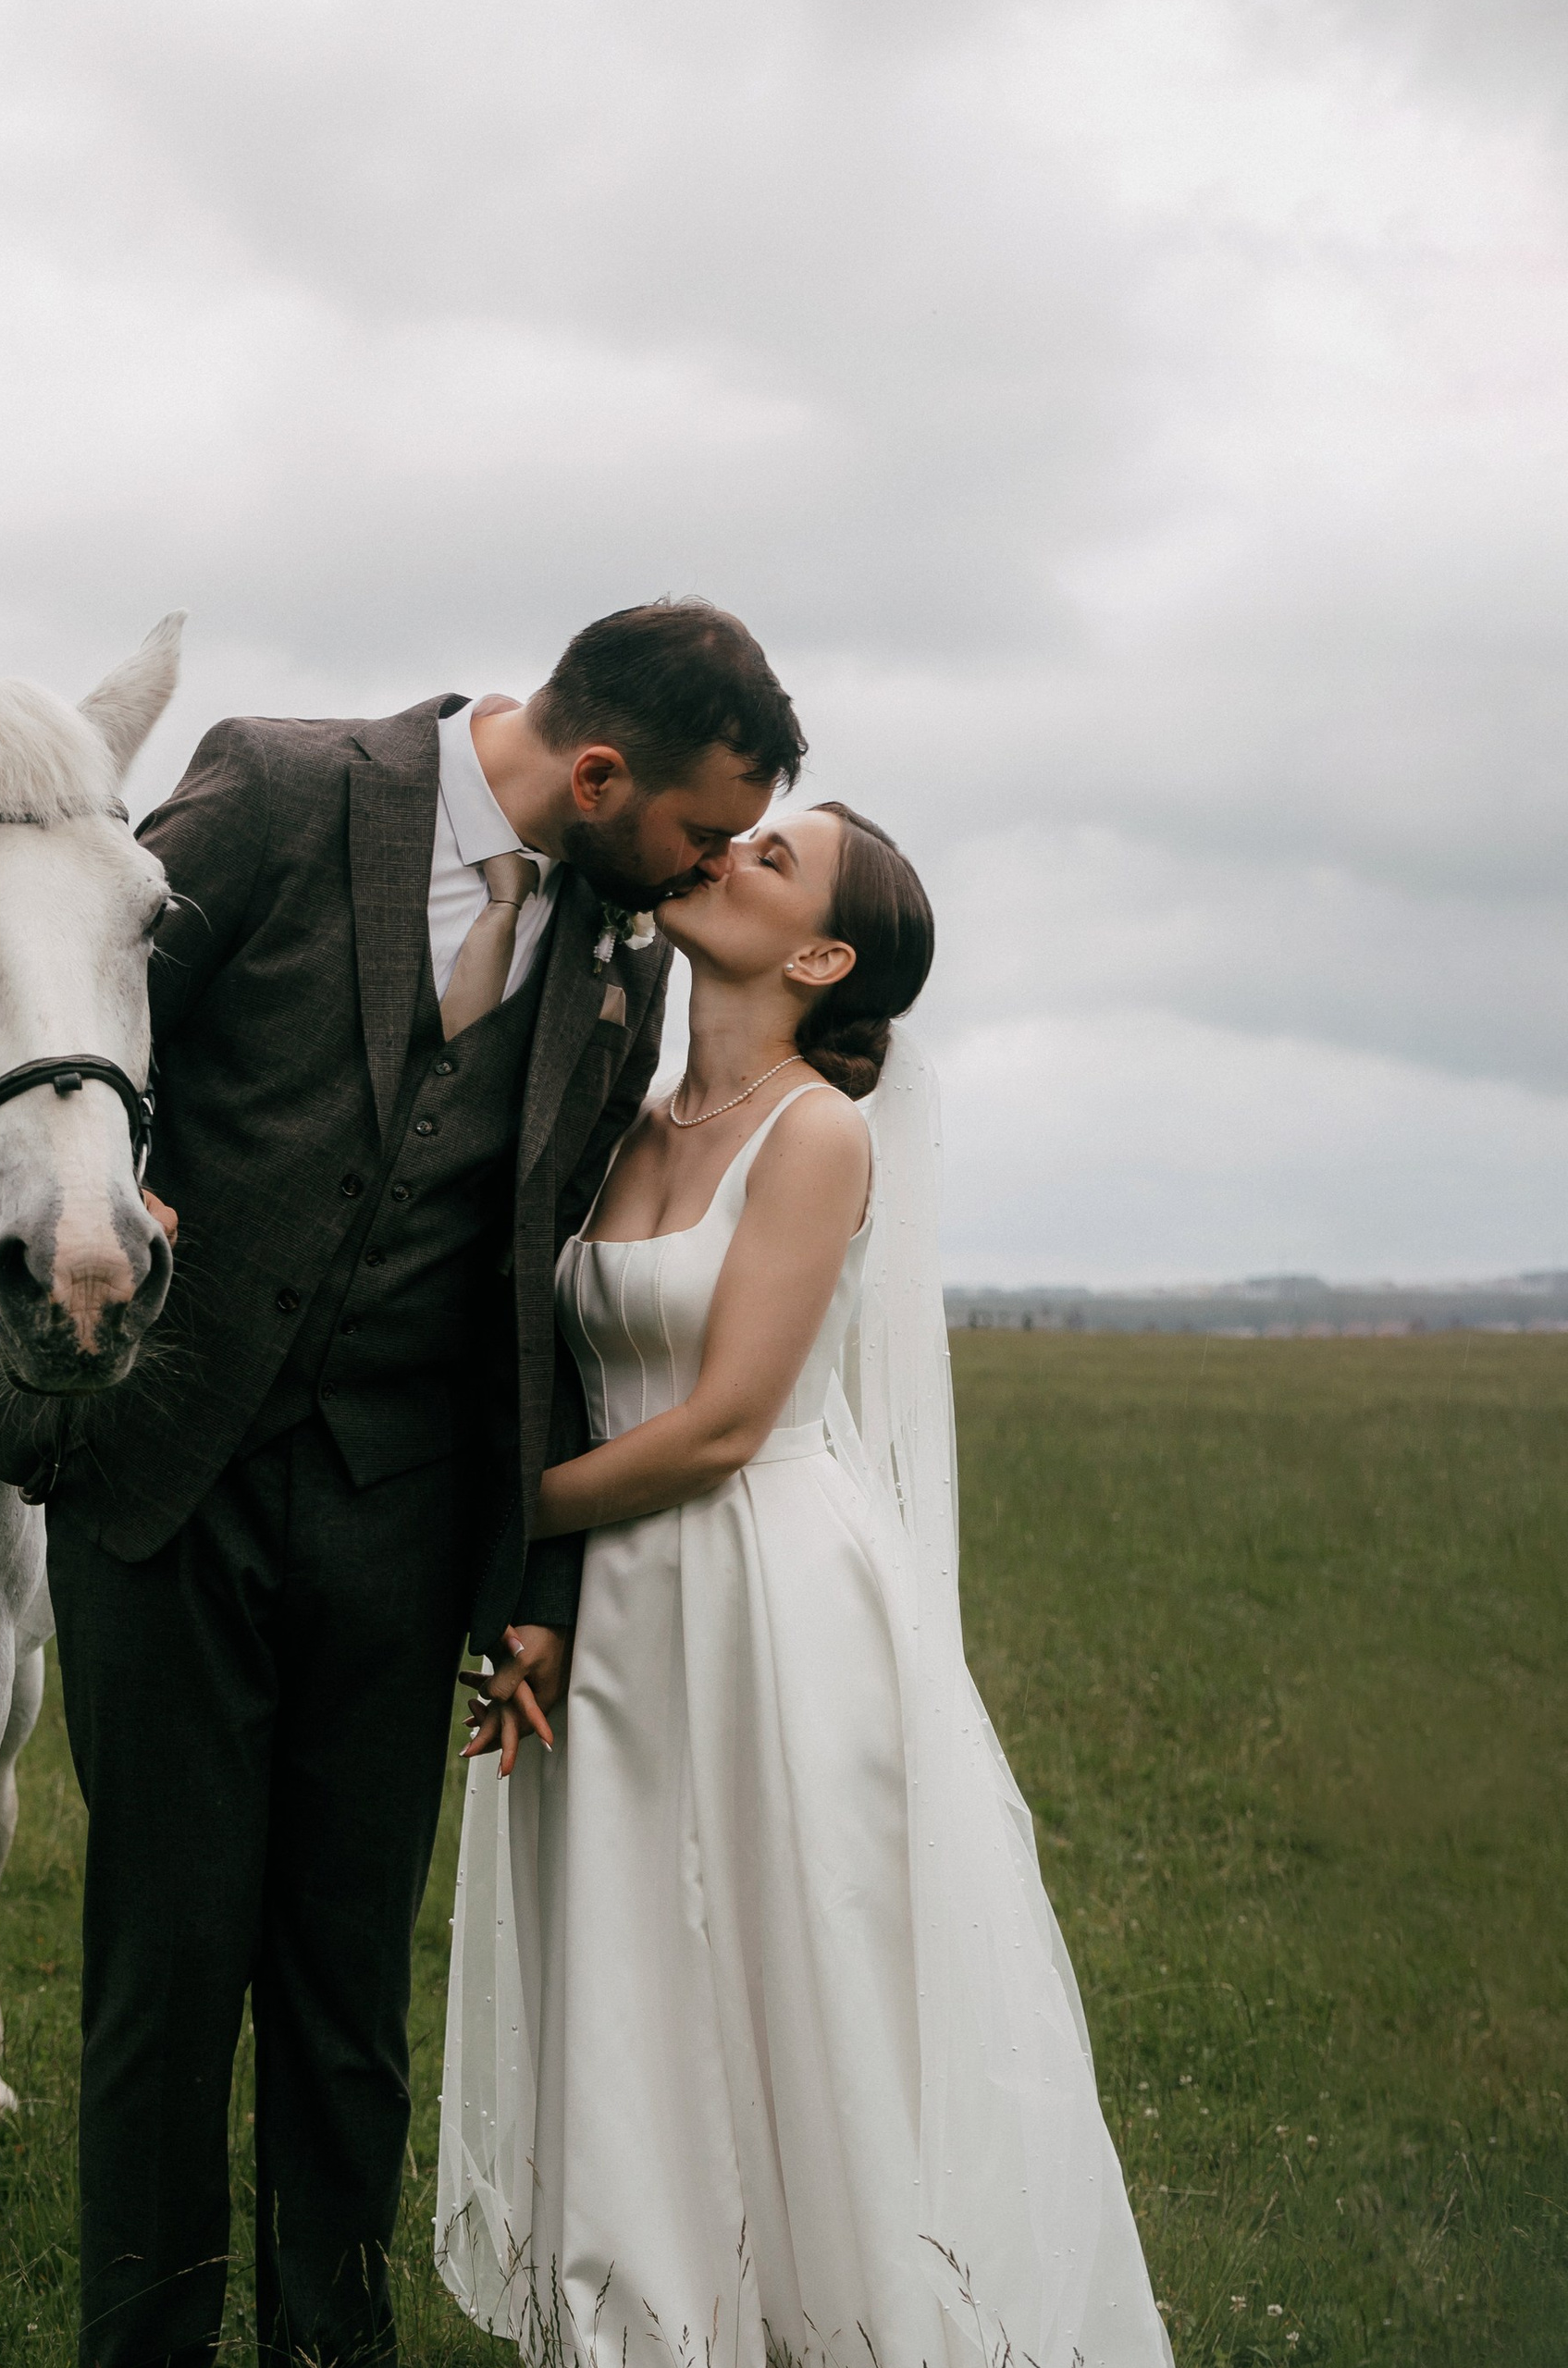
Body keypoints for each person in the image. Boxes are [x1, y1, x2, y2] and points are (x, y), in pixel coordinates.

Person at [0, 600, 807, 2368]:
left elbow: (539, 1282)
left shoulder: (623, 957)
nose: (707, 871)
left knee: (348, 1993)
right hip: (166, 1483)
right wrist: (120, 1187)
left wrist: (530, 1580)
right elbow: (76, 1021)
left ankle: (331, 2349)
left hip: (399, 1522)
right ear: (600, 774)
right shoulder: (282, 791)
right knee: (165, 1978)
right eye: (700, 830)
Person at [437, 806, 1177, 2368]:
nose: (726, 854)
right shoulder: (630, 1121)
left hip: (764, 1593)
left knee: (791, 1968)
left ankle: (836, 2318)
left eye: (772, 861)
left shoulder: (818, 1135)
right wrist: (539, 1588)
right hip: (610, 1607)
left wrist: (478, 1531)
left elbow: (722, 1426)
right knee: (629, 1964)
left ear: (825, 959)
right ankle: (652, 2318)